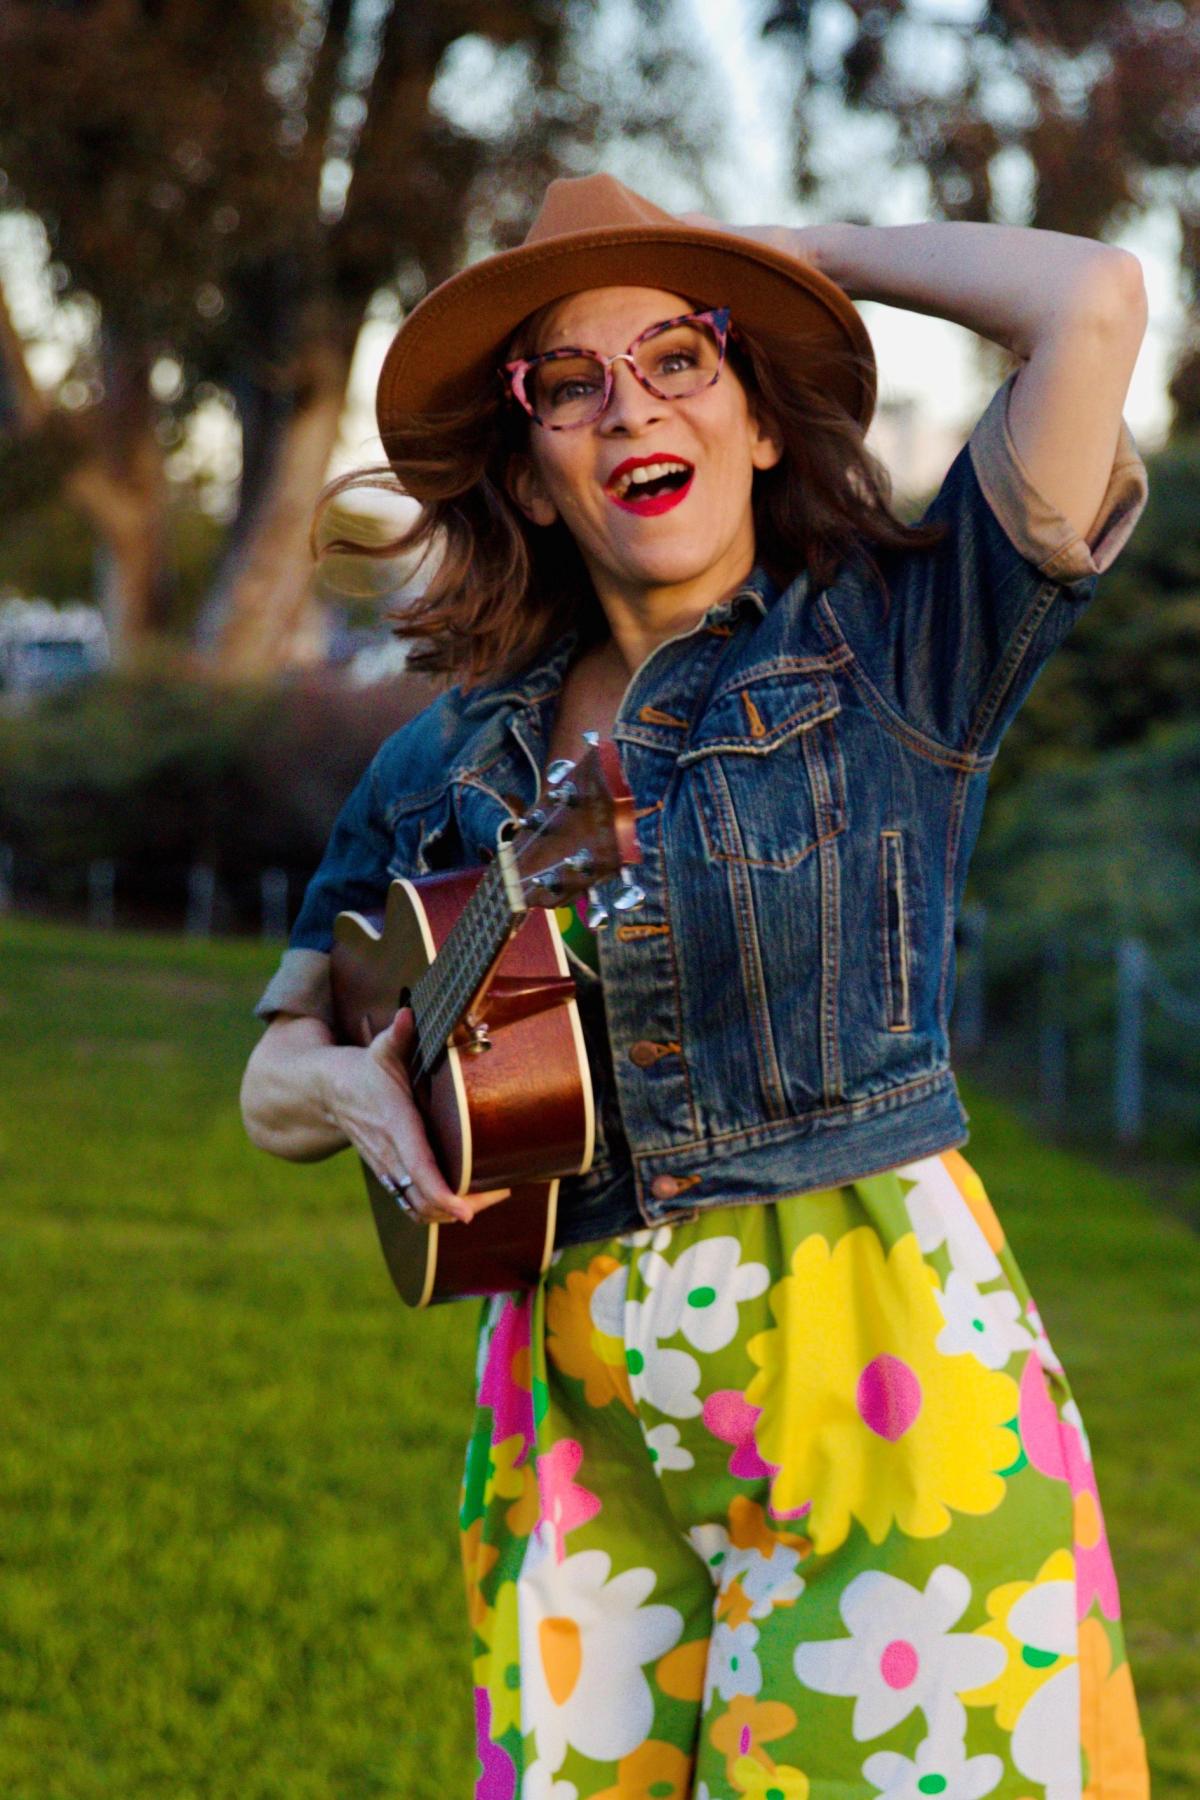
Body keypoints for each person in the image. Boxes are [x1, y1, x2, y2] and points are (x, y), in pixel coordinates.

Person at [240, 174, 1152, 1799]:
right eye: (569, 385)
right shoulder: (442, 761)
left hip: (878, 1389)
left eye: (680, 360)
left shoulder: (896, 645)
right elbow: (273, 1075)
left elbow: (1086, 302)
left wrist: (777, 265)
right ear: (526, 475)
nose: (629, 407)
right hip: (574, 1425)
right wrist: (350, 1088)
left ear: (762, 423)